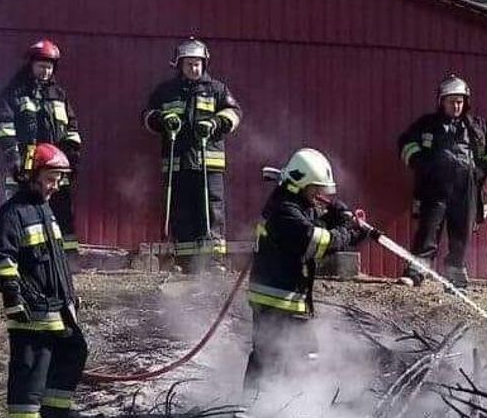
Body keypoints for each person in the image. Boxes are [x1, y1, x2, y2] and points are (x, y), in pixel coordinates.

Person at [244, 148, 376, 397]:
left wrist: (339, 218)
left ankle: (286, 406)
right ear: (300, 183)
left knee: (298, 355)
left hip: (285, 297)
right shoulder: (285, 211)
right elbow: (318, 242)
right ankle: (255, 408)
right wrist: (349, 233)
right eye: (316, 189)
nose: (319, 195)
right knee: (273, 357)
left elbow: (318, 226)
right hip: (278, 301)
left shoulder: (295, 204)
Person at [0, 143, 89, 418]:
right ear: (31, 176)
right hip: (32, 308)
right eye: (51, 178)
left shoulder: (45, 210)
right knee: (33, 367)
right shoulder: (14, 212)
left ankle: (54, 416)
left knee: (73, 351)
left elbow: (54, 261)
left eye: (60, 179)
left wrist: (70, 295)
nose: (56, 185)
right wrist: (13, 296)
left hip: (56, 307)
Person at [142, 38, 242, 273]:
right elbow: (147, 115)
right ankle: (186, 262)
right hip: (178, 163)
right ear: (180, 65)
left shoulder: (217, 89)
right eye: (189, 64)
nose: (194, 68)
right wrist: (163, 119)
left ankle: (213, 261)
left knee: (211, 211)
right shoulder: (166, 91)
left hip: (209, 162)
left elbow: (235, 113)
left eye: (198, 64)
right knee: (182, 211)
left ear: (204, 64)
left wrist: (215, 123)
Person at [396, 74, 487, 289]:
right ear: (441, 102)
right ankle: (416, 273)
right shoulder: (427, 124)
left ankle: (455, 278)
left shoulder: (478, 126)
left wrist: (481, 170)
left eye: (460, 101)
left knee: (461, 234)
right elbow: (406, 143)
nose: (456, 106)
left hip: (467, 188)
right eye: (451, 101)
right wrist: (421, 163)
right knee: (428, 230)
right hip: (435, 187)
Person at [0, 39, 84, 256]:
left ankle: (66, 258)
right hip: (27, 162)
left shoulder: (59, 94)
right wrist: (13, 156)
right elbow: (2, 127)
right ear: (31, 64)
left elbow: (71, 128)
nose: (45, 71)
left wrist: (72, 158)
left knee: (62, 210)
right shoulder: (14, 92)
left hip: (56, 164)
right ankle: (17, 253)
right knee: (21, 208)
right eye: (42, 66)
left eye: (49, 67)